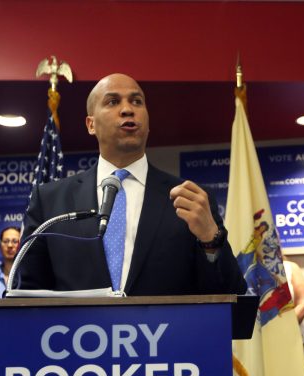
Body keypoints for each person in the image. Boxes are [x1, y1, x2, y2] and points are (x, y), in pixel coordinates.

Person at [18, 73, 246, 296]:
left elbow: (231, 296)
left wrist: (210, 240)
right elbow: (26, 297)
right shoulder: (50, 201)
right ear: (91, 124)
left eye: (137, 101)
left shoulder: (190, 200)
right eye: (113, 101)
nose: (128, 109)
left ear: (148, 122)